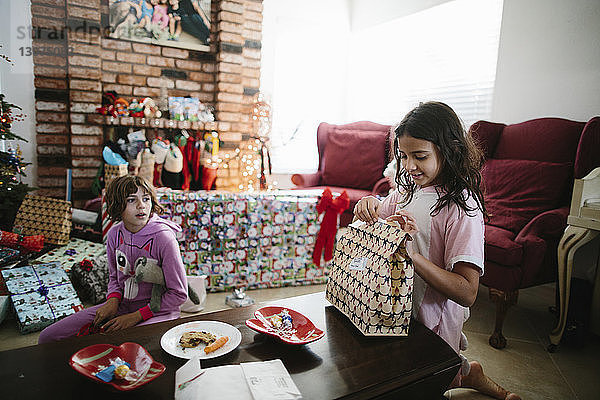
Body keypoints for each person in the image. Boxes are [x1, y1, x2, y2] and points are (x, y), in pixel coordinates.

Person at [353, 101, 520, 400]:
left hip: (433, 322)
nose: (409, 166)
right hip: (396, 309)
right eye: (403, 156)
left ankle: (466, 373)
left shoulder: (462, 208)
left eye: (420, 156)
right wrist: (367, 204)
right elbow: (379, 217)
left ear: (450, 149)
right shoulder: (408, 190)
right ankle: (467, 373)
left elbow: (468, 291)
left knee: (423, 383)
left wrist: (412, 257)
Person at [38, 175, 188, 343]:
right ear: (118, 206)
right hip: (122, 307)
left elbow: (179, 294)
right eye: (132, 200)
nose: (141, 206)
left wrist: (136, 316)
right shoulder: (114, 234)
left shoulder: (164, 238)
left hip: (158, 313)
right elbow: (114, 278)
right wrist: (112, 302)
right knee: (47, 337)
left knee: (123, 347)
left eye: (146, 199)